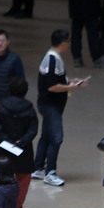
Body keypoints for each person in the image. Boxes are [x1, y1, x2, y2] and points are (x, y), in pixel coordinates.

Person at [32, 30, 88, 187]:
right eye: (68, 42)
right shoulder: (52, 60)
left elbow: (56, 79)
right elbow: (51, 86)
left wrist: (70, 81)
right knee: (56, 138)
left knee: (46, 136)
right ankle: (50, 172)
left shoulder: (54, 58)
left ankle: (38, 168)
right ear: (63, 43)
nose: (69, 45)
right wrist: (71, 88)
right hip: (50, 106)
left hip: (51, 105)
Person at [0, 77, 39, 208]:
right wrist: (21, 141)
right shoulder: (29, 108)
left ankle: (2, 206)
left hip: (3, 149)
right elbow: (33, 129)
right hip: (23, 150)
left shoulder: (0, 106)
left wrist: (6, 140)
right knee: (23, 178)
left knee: (0, 177)